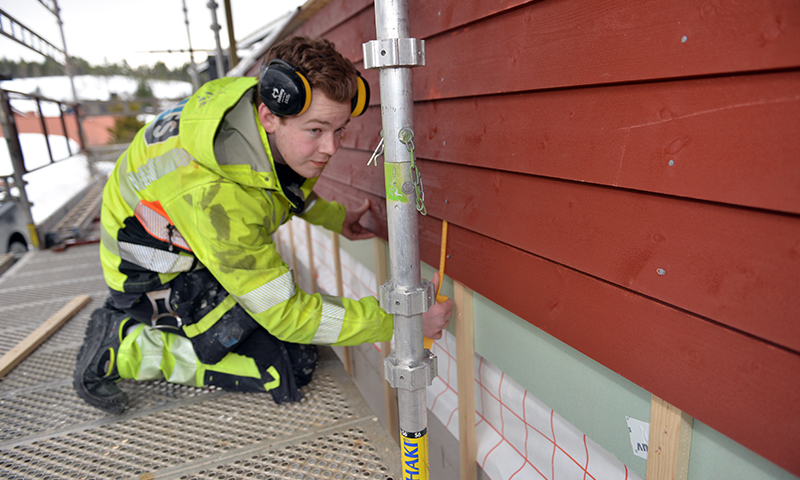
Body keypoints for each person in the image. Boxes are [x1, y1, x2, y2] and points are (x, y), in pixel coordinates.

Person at [74, 36, 453, 414]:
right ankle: (125, 345)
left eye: (339, 130)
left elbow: (278, 184)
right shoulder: (217, 197)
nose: (331, 148)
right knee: (286, 366)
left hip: (183, 240)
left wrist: (336, 219)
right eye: (316, 131)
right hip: (150, 276)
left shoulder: (249, 105)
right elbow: (286, 316)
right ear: (269, 116)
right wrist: (399, 326)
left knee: (294, 342)